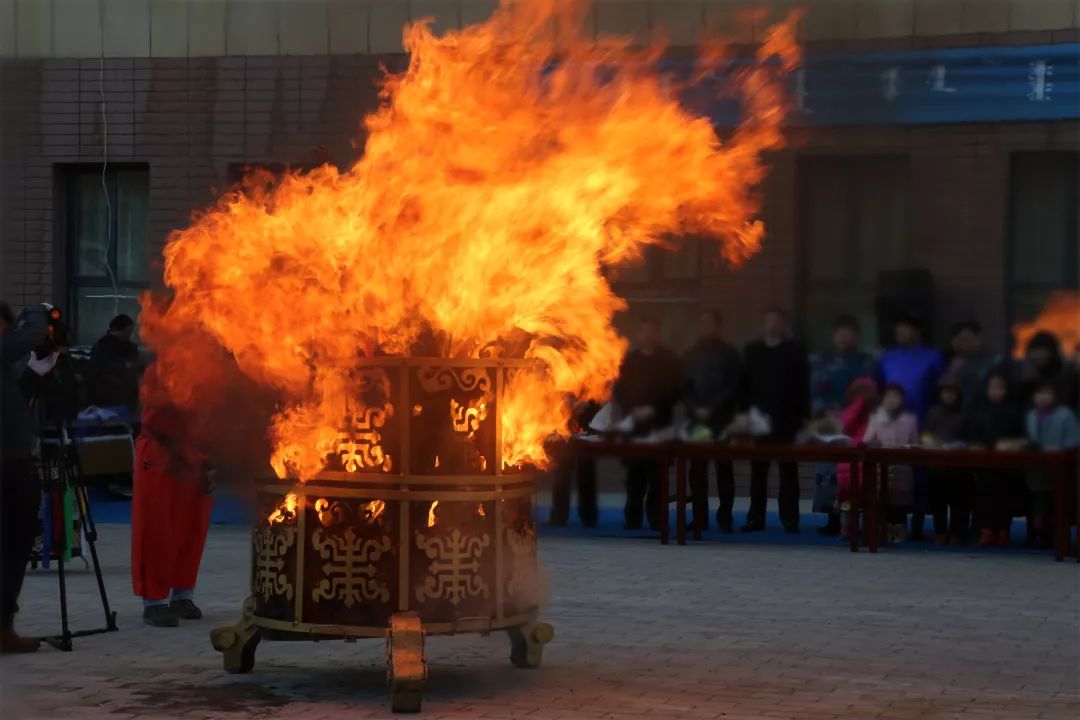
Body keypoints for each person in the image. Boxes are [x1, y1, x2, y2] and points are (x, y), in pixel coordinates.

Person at [131, 363, 216, 627]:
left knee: (192, 527)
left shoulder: (212, 369)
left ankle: (183, 593)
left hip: (197, 453)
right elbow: (156, 415)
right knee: (158, 526)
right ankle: (154, 600)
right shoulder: (164, 366)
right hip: (162, 451)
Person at [0, 302, 49, 653]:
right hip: (6, 469)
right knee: (8, 549)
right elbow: (32, 333)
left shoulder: (8, 364)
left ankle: (4, 627)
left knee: (16, 550)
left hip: (18, 466)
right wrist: (38, 311)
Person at [740, 308, 810, 533]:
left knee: (788, 473)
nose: (772, 325)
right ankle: (755, 519)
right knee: (758, 473)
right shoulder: (753, 351)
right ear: (763, 324)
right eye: (768, 321)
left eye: (776, 321)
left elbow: (802, 388)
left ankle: (790, 519)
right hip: (759, 422)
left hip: (787, 422)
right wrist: (746, 417)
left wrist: (802, 420)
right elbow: (744, 387)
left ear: (783, 325)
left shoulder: (794, 352)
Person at [810, 314, 876, 535]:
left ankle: (852, 520)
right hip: (829, 425)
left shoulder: (866, 363)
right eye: (839, 333)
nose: (843, 337)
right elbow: (815, 392)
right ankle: (833, 518)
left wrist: (850, 412)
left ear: (856, 336)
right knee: (828, 475)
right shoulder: (823, 361)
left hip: (856, 426)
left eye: (848, 333)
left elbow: (870, 393)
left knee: (850, 478)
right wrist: (825, 410)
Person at [613, 317, 681, 531]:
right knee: (634, 479)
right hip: (634, 425)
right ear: (638, 335)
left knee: (658, 478)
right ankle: (632, 520)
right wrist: (633, 409)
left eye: (652, 331)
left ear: (658, 335)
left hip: (659, 425)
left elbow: (675, 390)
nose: (648, 335)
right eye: (644, 331)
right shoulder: (629, 361)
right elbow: (619, 390)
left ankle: (657, 520)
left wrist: (654, 408)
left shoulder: (669, 360)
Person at [877, 315, 942, 539]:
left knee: (920, 476)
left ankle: (919, 522)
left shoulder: (932, 358)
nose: (900, 333)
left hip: (923, 422)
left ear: (917, 330)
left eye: (904, 328)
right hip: (890, 424)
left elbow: (939, 391)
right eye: (898, 329)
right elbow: (879, 389)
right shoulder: (887, 358)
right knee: (893, 476)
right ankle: (894, 523)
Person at [682, 310, 741, 533]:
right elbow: (683, 387)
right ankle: (699, 517)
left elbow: (733, 386)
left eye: (710, 323)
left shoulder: (729, 354)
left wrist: (712, 408)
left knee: (724, 471)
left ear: (718, 326)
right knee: (697, 472)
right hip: (697, 421)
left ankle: (725, 517)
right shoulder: (690, 355)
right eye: (703, 322)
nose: (706, 327)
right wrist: (694, 408)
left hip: (722, 420)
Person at [970, 370, 1025, 548]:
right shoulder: (979, 409)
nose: (995, 392)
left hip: (1008, 463)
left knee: (1005, 496)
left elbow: (1023, 435)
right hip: (984, 463)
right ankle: (986, 532)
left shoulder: (1016, 409)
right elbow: (973, 434)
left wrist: (1012, 444)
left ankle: (1003, 531)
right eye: (992, 388)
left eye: (1000, 388)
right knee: (984, 496)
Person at [1024, 380, 1080, 548]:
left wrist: (1059, 448)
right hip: (1037, 468)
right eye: (1039, 394)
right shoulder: (1031, 415)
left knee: (1058, 505)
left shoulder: (1065, 414)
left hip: (1061, 469)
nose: (1042, 397)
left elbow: (1074, 440)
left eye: (1047, 393)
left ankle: (1058, 539)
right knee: (1037, 503)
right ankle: (1037, 535)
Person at [863, 384, 919, 544]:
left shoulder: (910, 420)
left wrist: (908, 449)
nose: (892, 400)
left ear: (902, 400)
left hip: (903, 469)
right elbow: (867, 441)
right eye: (888, 396)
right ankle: (882, 531)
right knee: (882, 502)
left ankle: (899, 531)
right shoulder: (875, 418)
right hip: (881, 469)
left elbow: (916, 443)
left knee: (900, 505)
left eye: (896, 396)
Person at [924, 376, 973, 545]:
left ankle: (958, 534)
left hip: (960, 465)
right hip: (937, 465)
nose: (948, 396)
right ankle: (940, 532)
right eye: (945, 392)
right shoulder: (933, 412)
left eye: (952, 392)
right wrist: (930, 442)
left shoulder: (966, 413)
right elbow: (926, 434)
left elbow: (971, 437)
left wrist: (957, 445)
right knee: (938, 502)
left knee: (960, 502)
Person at [834, 378, 878, 541]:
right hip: (849, 462)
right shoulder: (852, 410)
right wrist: (859, 404)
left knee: (862, 499)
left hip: (863, 462)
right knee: (846, 500)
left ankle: (862, 528)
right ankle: (846, 527)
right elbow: (844, 425)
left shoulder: (874, 414)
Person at [548, 399, 599, 528]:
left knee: (586, 471)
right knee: (562, 472)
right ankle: (559, 515)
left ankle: (588, 516)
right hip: (563, 421)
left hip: (586, 424)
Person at [88, 313, 141, 413]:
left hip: (103, 395)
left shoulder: (100, 345)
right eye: (128, 332)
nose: (130, 335)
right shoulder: (124, 347)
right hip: (117, 395)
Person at [1018, 331, 1079, 412]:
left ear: (1052, 353)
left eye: (1042, 351)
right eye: (1035, 351)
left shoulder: (1067, 377)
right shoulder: (1028, 377)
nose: (1038, 355)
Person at [945, 321, 999, 409]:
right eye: (959, 340)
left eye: (966, 339)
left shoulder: (993, 360)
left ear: (978, 337)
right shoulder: (951, 361)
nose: (962, 344)